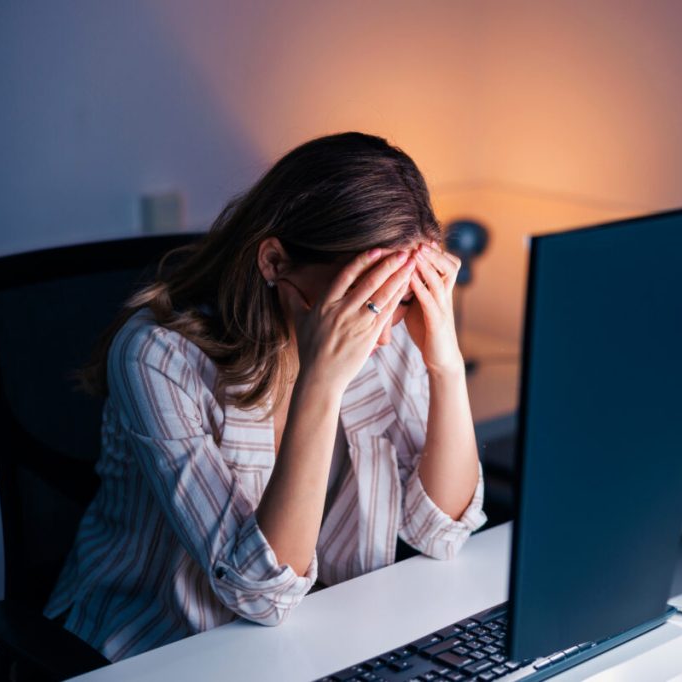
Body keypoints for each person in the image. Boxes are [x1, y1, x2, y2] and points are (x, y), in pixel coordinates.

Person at [43, 132, 487, 662]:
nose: (384, 333)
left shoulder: (389, 331)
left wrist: (445, 364)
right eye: (362, 299)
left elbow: (441, 531)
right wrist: (320, 383)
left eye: (400, 296)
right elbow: (260, 593)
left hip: (313, 639)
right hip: (161, 645)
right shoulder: (156, 356)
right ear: (275, 262)